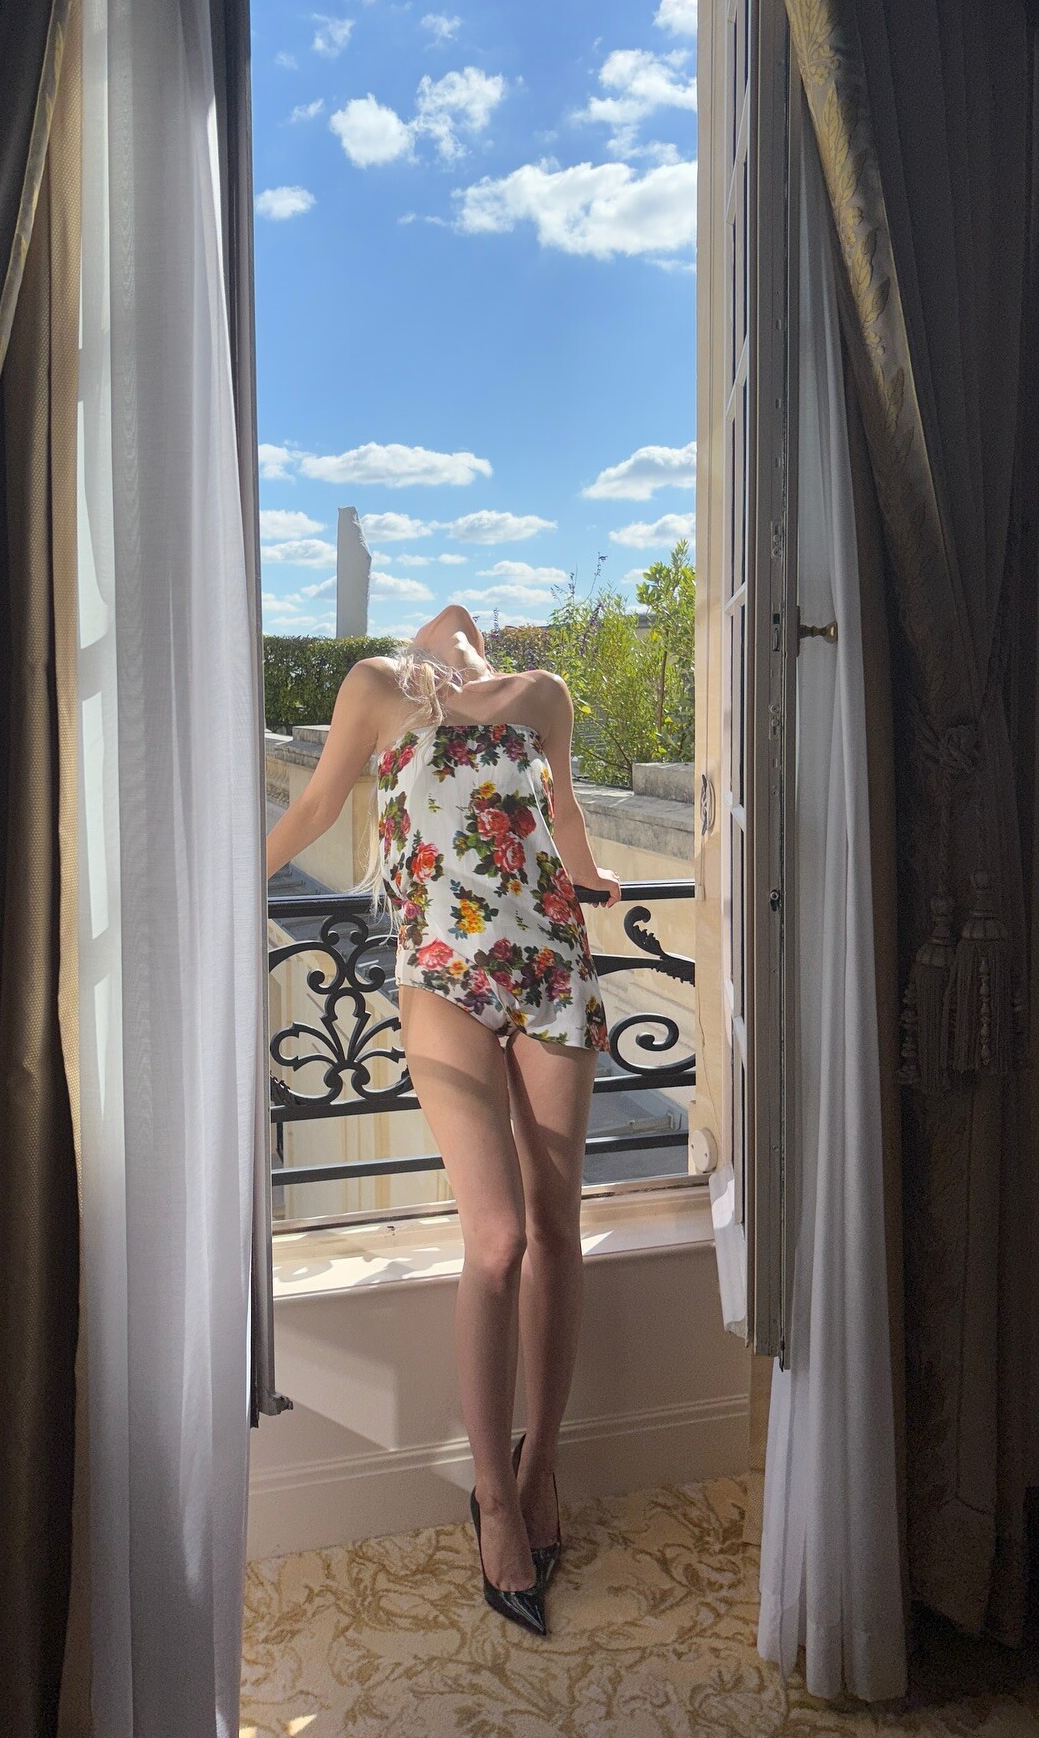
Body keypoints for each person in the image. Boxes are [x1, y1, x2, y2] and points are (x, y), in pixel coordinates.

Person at [265, 604, 620, 1636]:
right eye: (439, 627)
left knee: (557, 1227)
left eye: (467, 630)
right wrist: (228, 879)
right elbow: (319, 803)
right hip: (443, 976)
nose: (455, 628)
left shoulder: (542, 695)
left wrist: (594, 878)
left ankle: (539, 1468)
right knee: (497, 1241)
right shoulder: (379, 686)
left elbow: (561, 816)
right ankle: (491, 1497)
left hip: (552, 964)